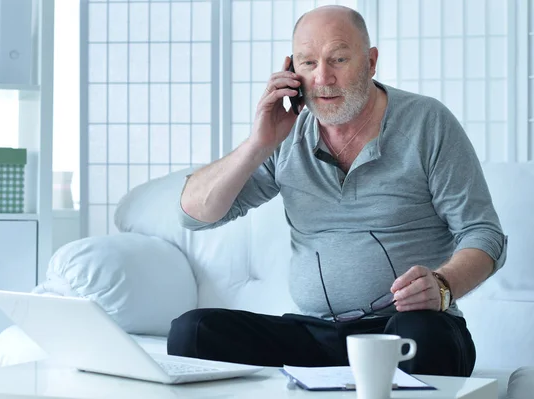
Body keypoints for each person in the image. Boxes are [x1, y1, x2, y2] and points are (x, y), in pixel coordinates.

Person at [167, 5, 506, 377]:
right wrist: (258, 143)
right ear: (291, 70)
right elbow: (193, 215)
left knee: (423, 333)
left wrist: (443, 286)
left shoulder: (428, 122)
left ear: (371, 62)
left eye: (339, 59)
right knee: (193, 332)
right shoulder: (283, 135)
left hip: (405, 330)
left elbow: (483, 233)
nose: (323, 77)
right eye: (308, 63)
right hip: (317, 334)